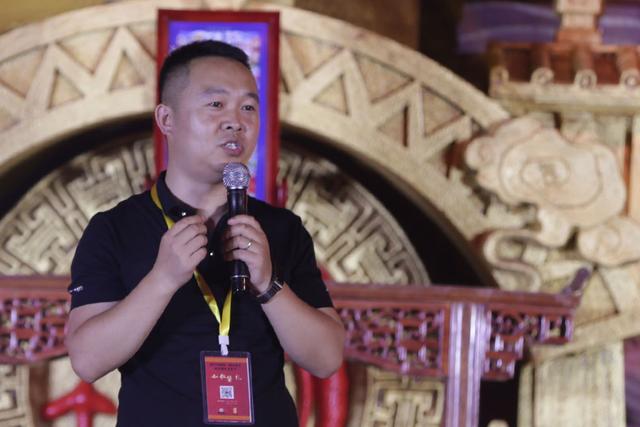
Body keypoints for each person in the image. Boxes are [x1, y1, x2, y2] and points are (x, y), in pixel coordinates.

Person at [65, 40, 345, 426]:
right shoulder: (115, 228)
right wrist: (162, 279)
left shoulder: (281, 229)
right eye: (216, 104)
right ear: (167, 119)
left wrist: (269, 284)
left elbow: (327, 358)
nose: (236, 121)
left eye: (248, 107)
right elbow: (87, 360)